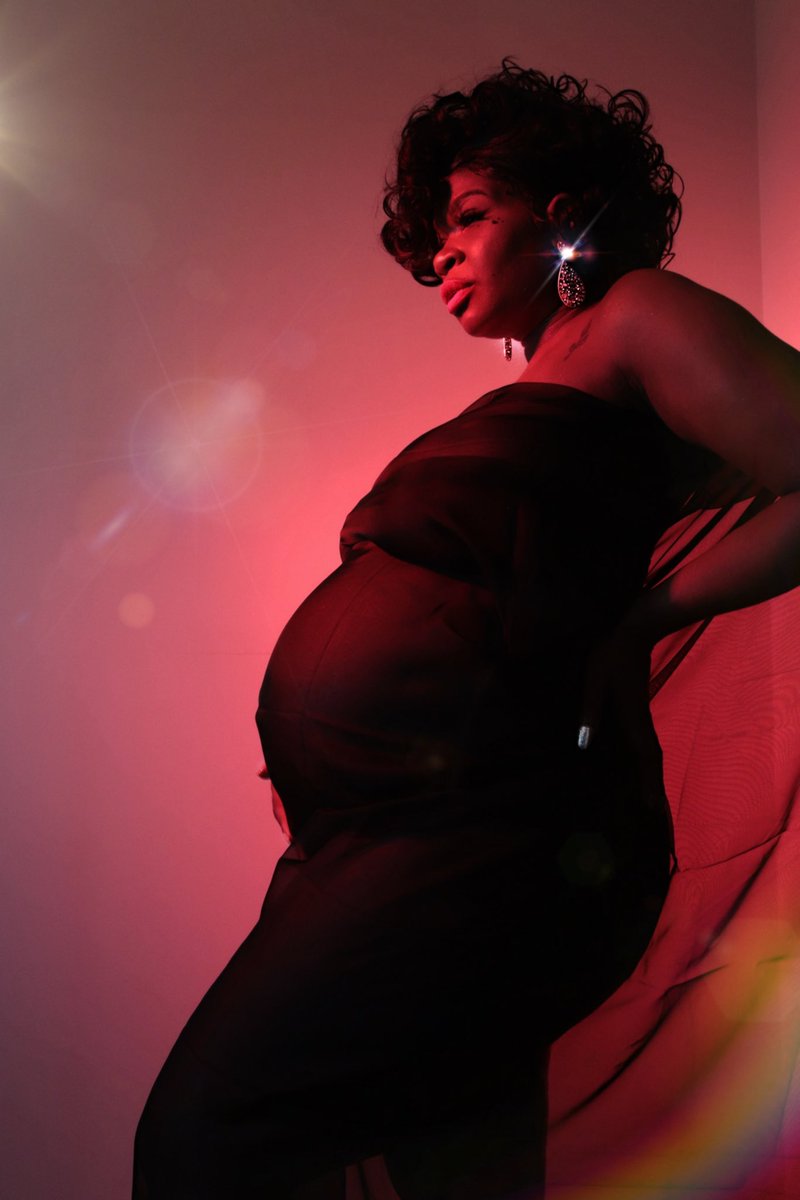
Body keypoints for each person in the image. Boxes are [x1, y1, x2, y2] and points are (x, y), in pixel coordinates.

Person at [132, 61, 800, 1199]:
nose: (440, 253)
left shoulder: (635, 314)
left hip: (492, 827)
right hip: (382, 827)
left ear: (560, 211)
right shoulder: (532, 385)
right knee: (447, 1163)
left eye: (469, 216)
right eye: (433, 234)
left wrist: (647, 613)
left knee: (208, 1138)